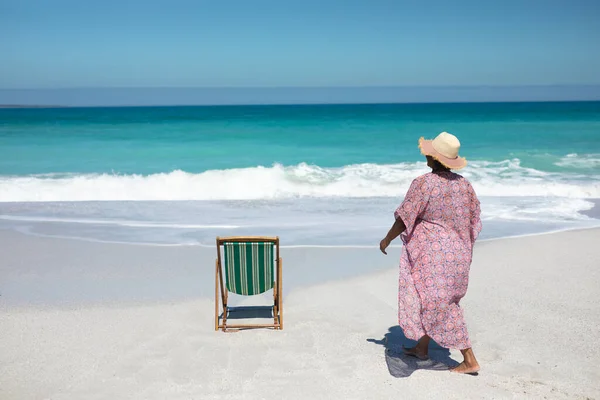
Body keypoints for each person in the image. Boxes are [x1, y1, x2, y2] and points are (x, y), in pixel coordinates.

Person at [379, 132, 482, 375]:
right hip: (457, 255)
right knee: (433, 299)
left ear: (433, 158)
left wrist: (387, 238)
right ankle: (422, 348)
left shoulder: (424, 183)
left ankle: (469, 359)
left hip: (433, 256)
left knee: (441, 305)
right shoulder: (464, 184)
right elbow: (474, 219)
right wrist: (461, 245)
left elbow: (406, 217)